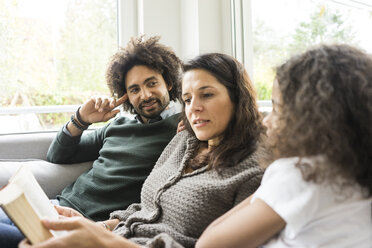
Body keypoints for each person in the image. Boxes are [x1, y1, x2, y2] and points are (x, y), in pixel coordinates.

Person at [18, 52, 265, 248]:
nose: (193, 108)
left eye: (207, 95)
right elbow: (143, 209)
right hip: (78, 215)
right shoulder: (182, 141)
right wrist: (81, 119)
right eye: (188, 99)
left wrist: (101, 238)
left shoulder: (252, 170)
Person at [0, 36, 182, 247]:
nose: (145, 95)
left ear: (168, 83)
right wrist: (81, 119)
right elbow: (58, 155)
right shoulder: (118, 125)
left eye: (152, 83)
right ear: (126, 96)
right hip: (55, 206)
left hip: (87, 226)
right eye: (134, 89)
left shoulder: (182, 129)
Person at [195, 44, 372, 248]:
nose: (266, 121)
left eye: (277, 109)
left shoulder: (304, 173)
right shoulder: (355, 172)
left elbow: (209, 244)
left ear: (313, 118)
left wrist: (271, 183)